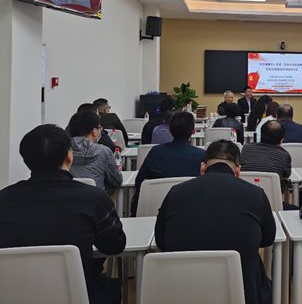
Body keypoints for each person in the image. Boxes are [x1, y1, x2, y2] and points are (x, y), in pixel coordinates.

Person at [0, 125, 126, 304]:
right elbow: (114, 245)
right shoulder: (93, 198)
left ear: (26, 160)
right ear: (69, 156)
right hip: (79, 295)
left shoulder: (3, 199)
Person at [155, 140, 276, 304]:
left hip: (181, 292)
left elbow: (160, 241)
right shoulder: (256, 194)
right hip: (242, 292)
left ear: (202, 168)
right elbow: (268, 239)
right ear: (238, 171)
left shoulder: (175, 192)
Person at [131, 112, 207, 215]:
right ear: (193, 131)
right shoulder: (202, 155)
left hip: (155, 209)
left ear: (170, 130)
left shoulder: (156, 152)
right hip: (192, 211)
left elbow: (139, 182)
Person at [68, 110, 123, 191]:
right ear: (94, 132)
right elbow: (116, 181)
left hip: (66, 197)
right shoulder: (104, 151)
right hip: (96, 197)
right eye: (99, 128)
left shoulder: (62, 151)